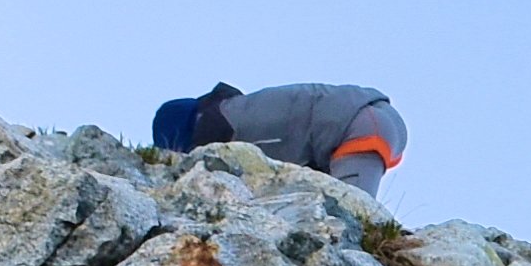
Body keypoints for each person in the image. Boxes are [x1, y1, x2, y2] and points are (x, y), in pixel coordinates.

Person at [152, 81, 406, 188]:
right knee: (347, 208)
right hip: (374, 118)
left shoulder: (225, 132)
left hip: (354, 128)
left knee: (352, 218)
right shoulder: (242, 108)